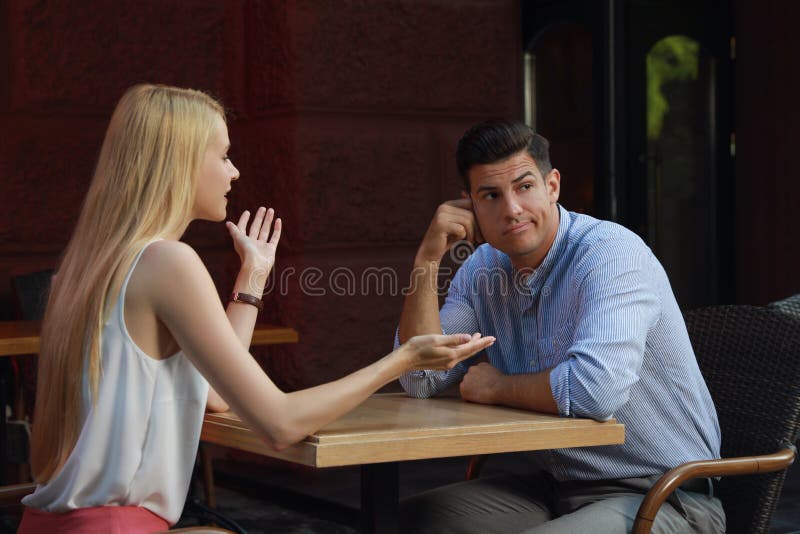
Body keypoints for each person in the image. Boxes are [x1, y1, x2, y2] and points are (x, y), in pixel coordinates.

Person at [19, 84, 494, 533]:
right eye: (223, 155)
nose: (235, 171)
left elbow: (212, 394)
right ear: (179, 162)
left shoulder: (86, 269)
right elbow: (280, 424)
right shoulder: (167, 261)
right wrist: (403, 359)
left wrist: (252, 280)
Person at [396, 120, 724, 533]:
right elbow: (420, 378)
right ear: (471, 207)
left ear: (552, 186)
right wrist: (426, 261)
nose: (511, 209)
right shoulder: (481, 270)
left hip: (664, 496)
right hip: (558, 488)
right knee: (402, 521)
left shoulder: (610, 254)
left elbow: (595, 389)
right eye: (491, 196)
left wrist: (497, 388)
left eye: (524, 186)